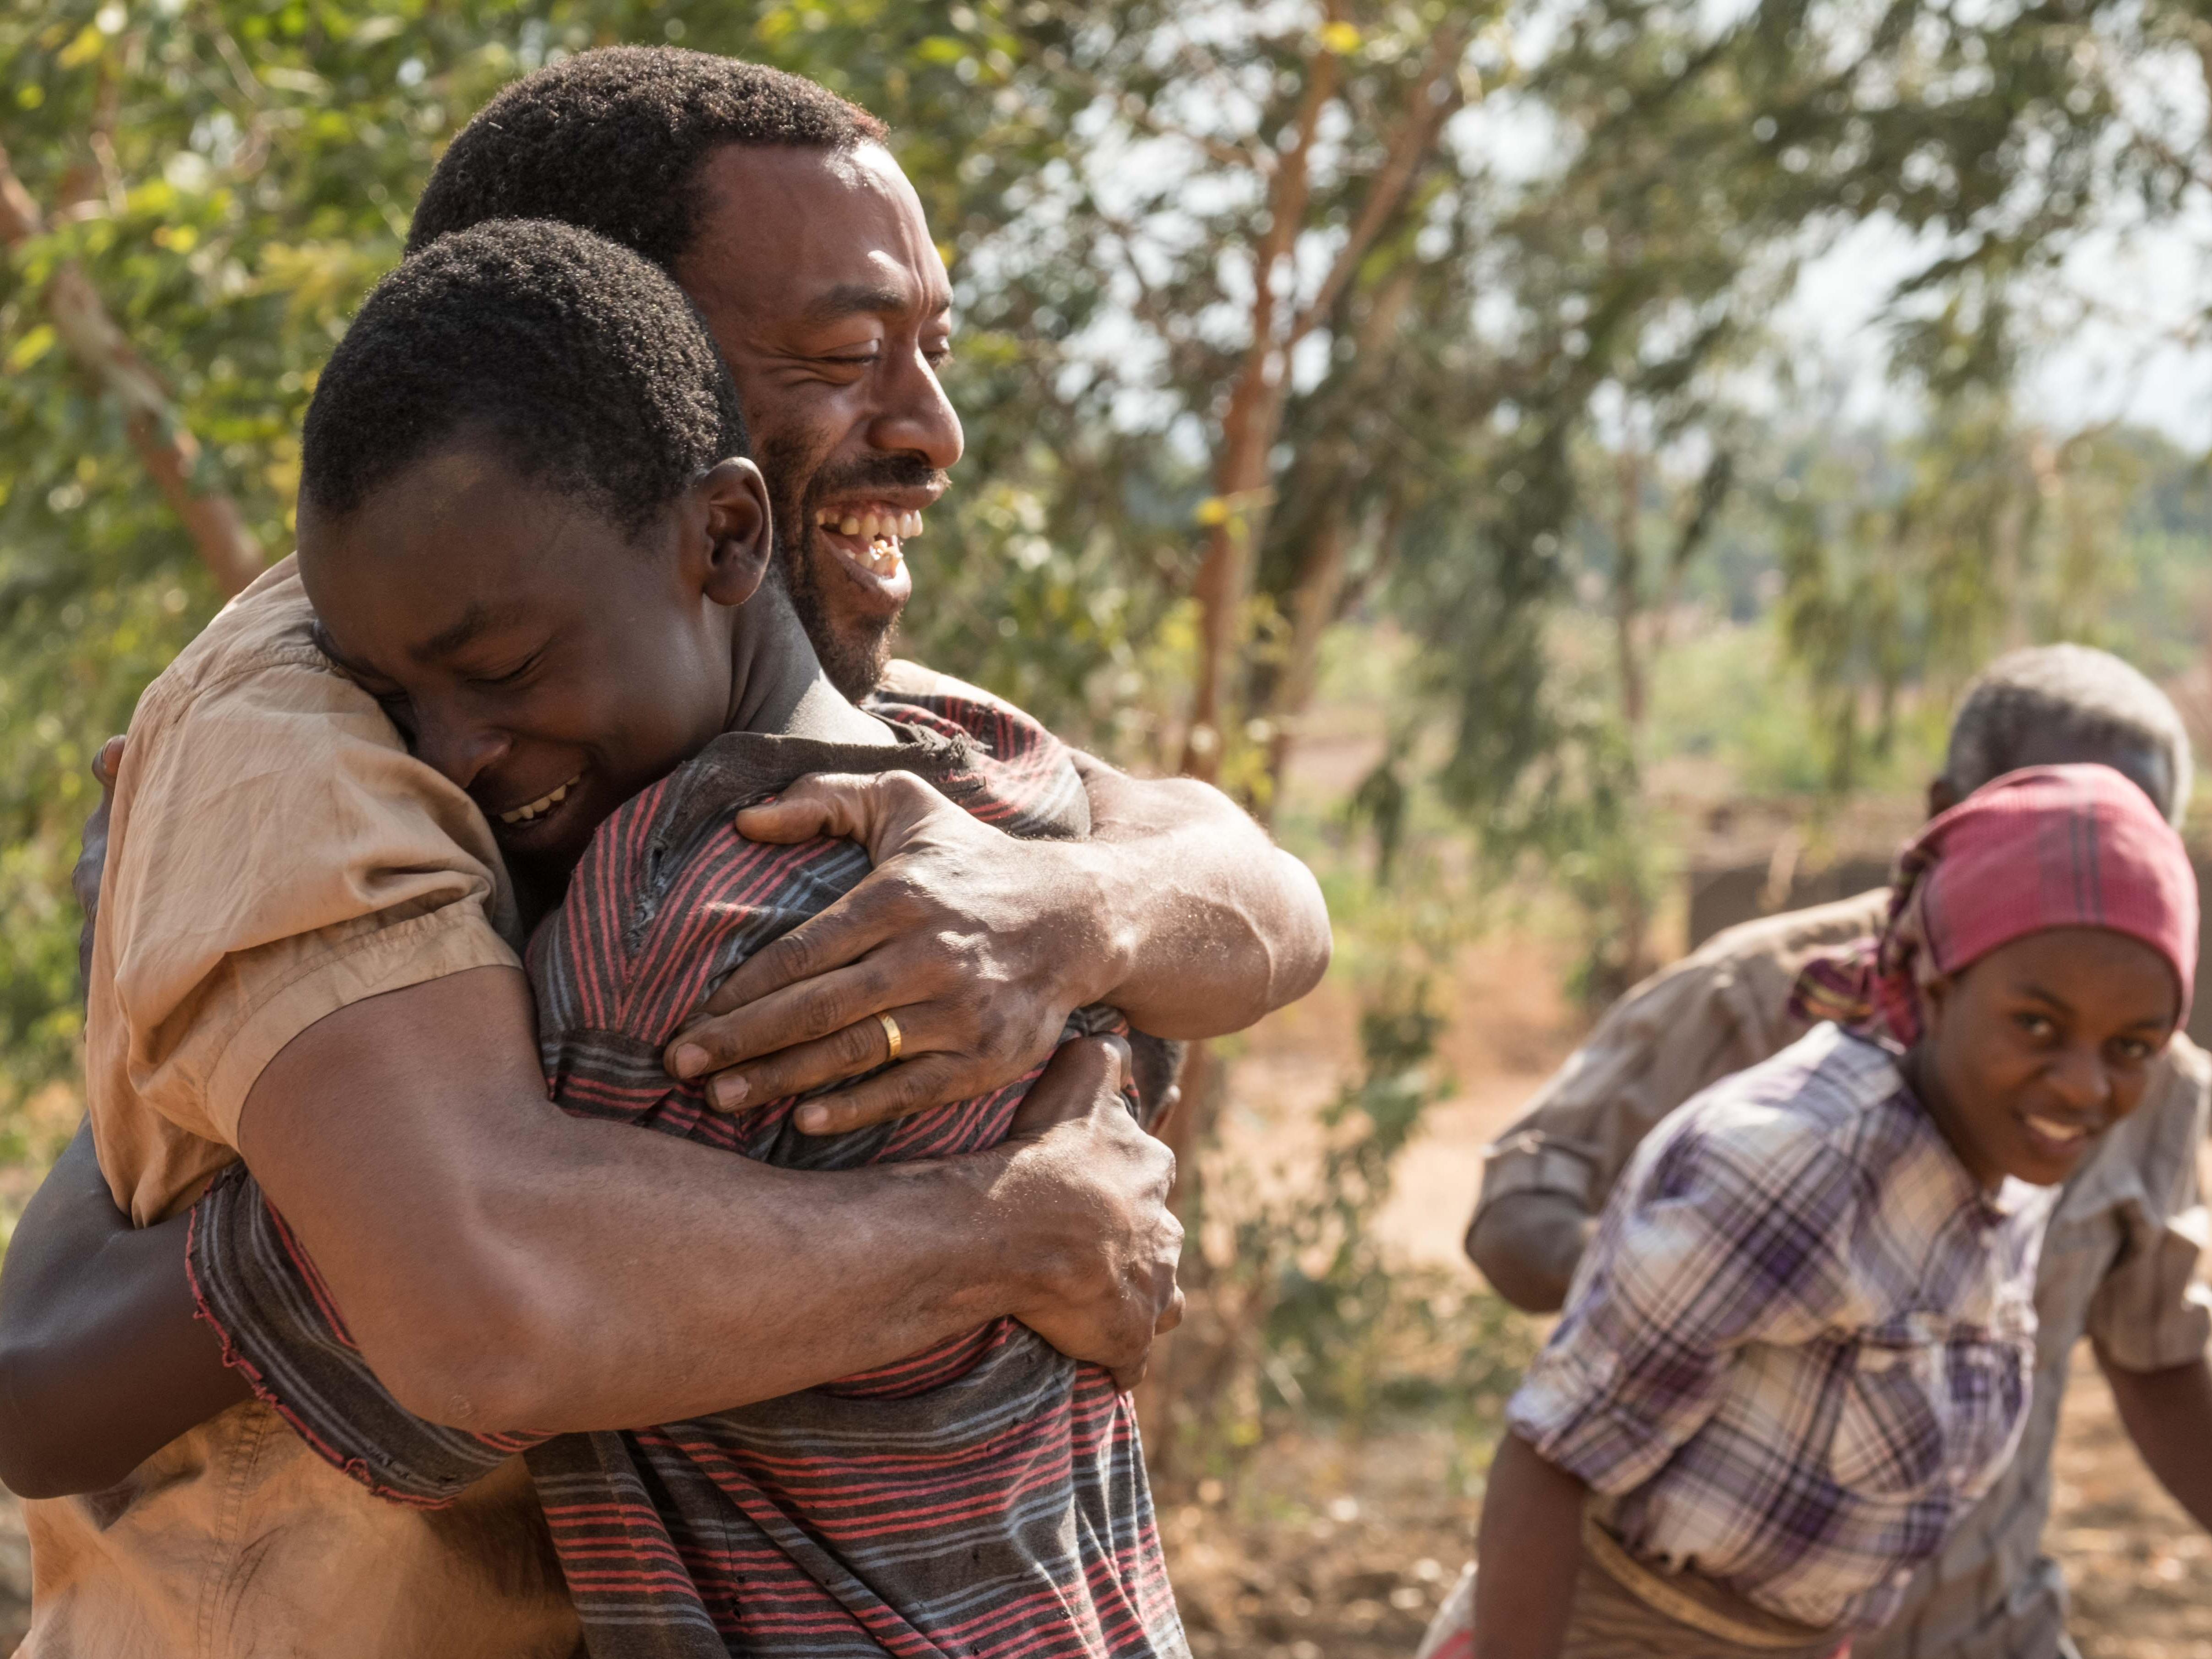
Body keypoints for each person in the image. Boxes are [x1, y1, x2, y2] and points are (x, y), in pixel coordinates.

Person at [0, 51, 1325, 1659]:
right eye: (845, 352)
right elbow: (488, 1307)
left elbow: (1259, 887)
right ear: (605, 358)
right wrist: (1016, 1227)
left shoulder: (788, 717)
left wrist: (1076, 907)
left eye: (931, 347)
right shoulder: (331, 726)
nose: (934, 429)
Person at [175, 216, 1183, 1655]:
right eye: (395, 709)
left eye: (504, 670)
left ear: (725, 531)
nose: (448, 756)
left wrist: (209, 1038)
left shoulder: (661, 947)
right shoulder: (1001, 773)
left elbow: (438, 1339)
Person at [1422, 643, 2212, 1659]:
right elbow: (1533, 1300)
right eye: (2035, 1023)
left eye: (2124, 843)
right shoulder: (1770, 1049)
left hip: (1950, 1626)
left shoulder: (2090, 1113)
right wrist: (1694, 1282)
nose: (2081, 1078)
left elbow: (2158, 1354)